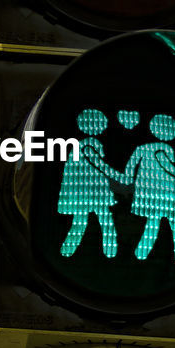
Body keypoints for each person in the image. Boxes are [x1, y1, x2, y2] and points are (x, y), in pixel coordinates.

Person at [122, 114, 175, 265]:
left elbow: (130, 168)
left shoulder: (142, 148)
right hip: (166, 195)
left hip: (150, 194)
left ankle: (141, 254)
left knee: (154, 223)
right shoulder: (163, 149)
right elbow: (171, 170)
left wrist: (127, 181)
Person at [57, 108, 126, 258]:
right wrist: (121, 178)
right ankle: (110, 253)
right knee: (105, 221)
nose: (105, 124)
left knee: (81, 222)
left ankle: (67, 252)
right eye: (102, 122)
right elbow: (101, 166)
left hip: (84, 193)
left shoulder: (81, 145)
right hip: (93, 193)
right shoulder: (89, 145)